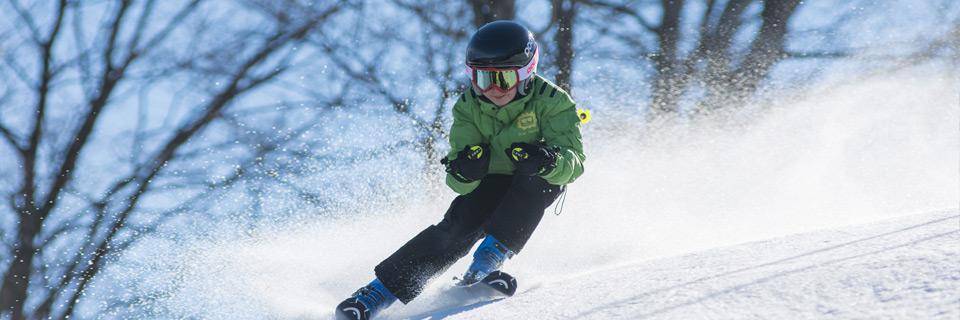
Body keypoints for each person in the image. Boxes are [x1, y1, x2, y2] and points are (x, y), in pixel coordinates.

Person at [334, 20, 585, 320]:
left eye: (503, 79)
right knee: (459, 225)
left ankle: (488, 261)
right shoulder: (468, 107)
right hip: (490, 180)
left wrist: (549, 160)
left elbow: (575, 162)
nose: (492, 89)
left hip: (533, 178)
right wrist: (466, 170)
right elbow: (458, 182)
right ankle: (375, 295)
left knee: (536, 183)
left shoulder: (553, 102)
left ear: (526, 72)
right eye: (481, 78)